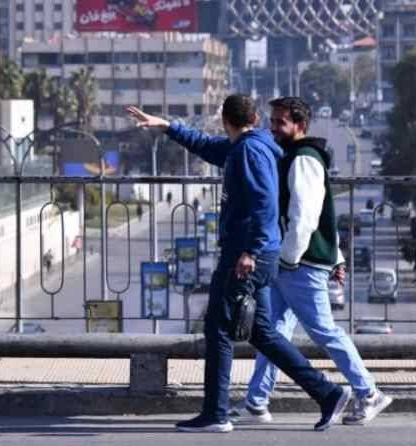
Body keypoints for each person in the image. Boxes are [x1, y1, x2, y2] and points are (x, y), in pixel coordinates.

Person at [129, 96, 350, 433]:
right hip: (256, 254)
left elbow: (263, 203)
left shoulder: (248, 151)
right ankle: (328, 393)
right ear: (256, 117)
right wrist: (168, 126)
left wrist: (250, 251)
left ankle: (216, 414)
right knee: (262, 333)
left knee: (217, 327)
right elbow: (207, 146)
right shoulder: (250, 144)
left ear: (224, 119)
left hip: (245, 256)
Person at [229, 97, 391, 427]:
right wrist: (335, 257)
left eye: (280, 122)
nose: (273, 128)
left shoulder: (303, 159)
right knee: (271, 332)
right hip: (294, 262)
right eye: (272, 121)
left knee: (324, 331)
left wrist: (287, 260)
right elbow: (324, 219)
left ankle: (369, 393)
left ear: (300, 125)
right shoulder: (291, 156)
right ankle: (256, 402)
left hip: (298, 264)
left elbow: (305, 218)